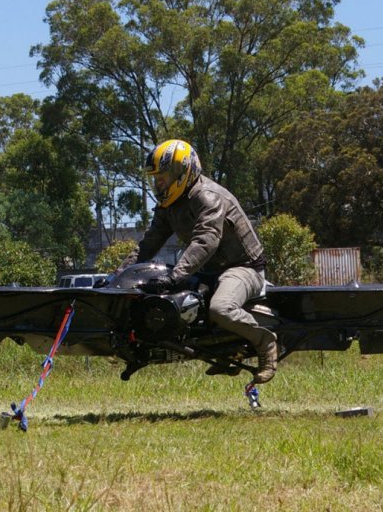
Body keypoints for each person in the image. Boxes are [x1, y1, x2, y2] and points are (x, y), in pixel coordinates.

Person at [118, 139, 277, 384]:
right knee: (175, 306)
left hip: (243, 268)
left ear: (183, 172)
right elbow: (148, 244)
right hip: (209, 271)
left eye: (163, 177)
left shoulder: (207, 196)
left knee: (220, 309)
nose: (158, 184)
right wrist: (118, 277)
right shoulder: (168, 204)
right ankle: (224, 351)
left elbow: (206, 240)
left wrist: (174, 277)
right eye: (155, 179)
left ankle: (265, 342)